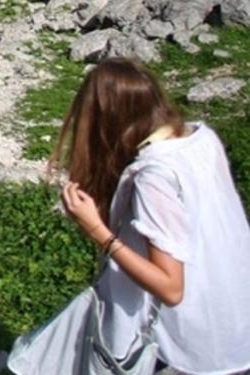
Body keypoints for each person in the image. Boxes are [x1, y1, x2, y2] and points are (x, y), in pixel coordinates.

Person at [52, 59, 250, 374]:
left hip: (185, 348)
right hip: (231, 324)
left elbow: (171, 287)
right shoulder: (202, 139)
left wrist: (97, 231)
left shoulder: (154, 176)